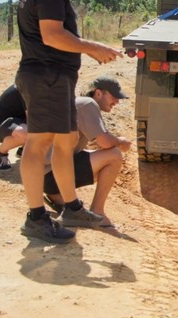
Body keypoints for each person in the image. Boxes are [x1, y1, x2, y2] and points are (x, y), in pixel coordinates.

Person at [15, 0, 123, 243]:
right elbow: (52, 35)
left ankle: (73, 207)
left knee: (67, 141)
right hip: (45, 76)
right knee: (38, 146)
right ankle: (36, 217)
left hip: (55, 78)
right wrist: (94, 48)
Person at [42, 76, 132, 227]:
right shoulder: (88, 104)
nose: (117, 101)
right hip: (51, 173)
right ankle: (98, 211)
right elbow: (105, 142)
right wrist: (120, 142)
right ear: (98, 93)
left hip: (44, 174)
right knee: (114, 156)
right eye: (114, 96)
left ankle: (58, 196)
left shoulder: (80, 104)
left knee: (93, 154)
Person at [0, 85, 27, 170]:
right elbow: (32, 117)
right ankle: (0, 153)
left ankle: (24, 150)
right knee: (27, 132)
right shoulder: (29, 86)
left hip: (17, 122)